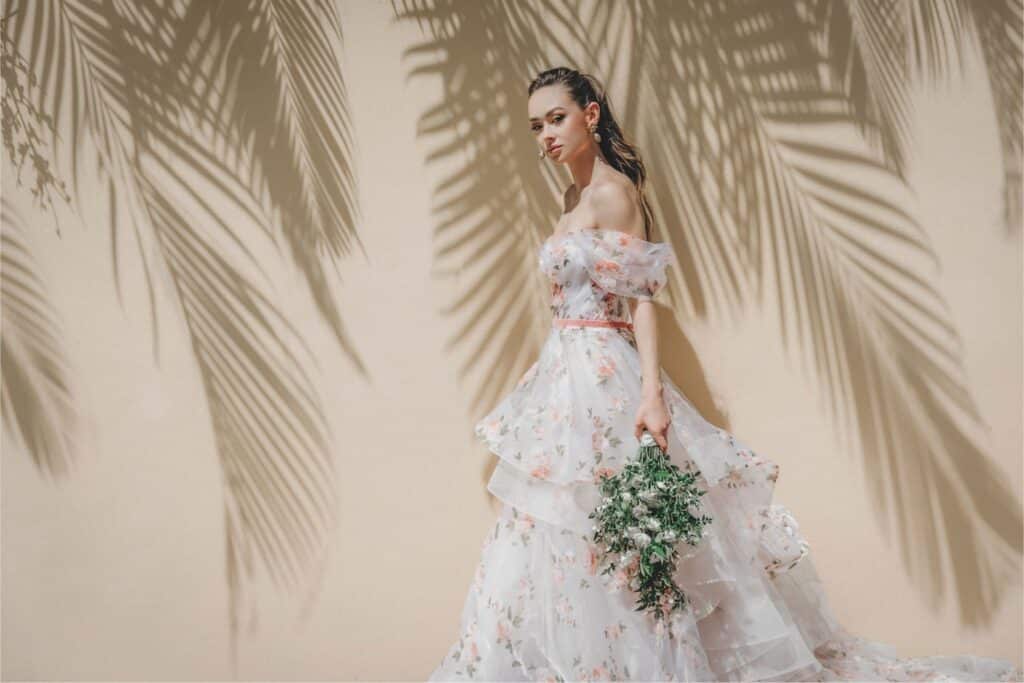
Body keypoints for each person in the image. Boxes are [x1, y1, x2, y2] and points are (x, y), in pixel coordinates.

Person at [427, 66, 1022, 682]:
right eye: (536, 126)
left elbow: (641, 300)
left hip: (605, 375)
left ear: (591, 115)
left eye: (556, 119)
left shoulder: (613, 193)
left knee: (626, 534)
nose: (546, 136)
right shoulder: (570, 199)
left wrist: (651, 394)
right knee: (557, 527)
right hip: (561, 378)